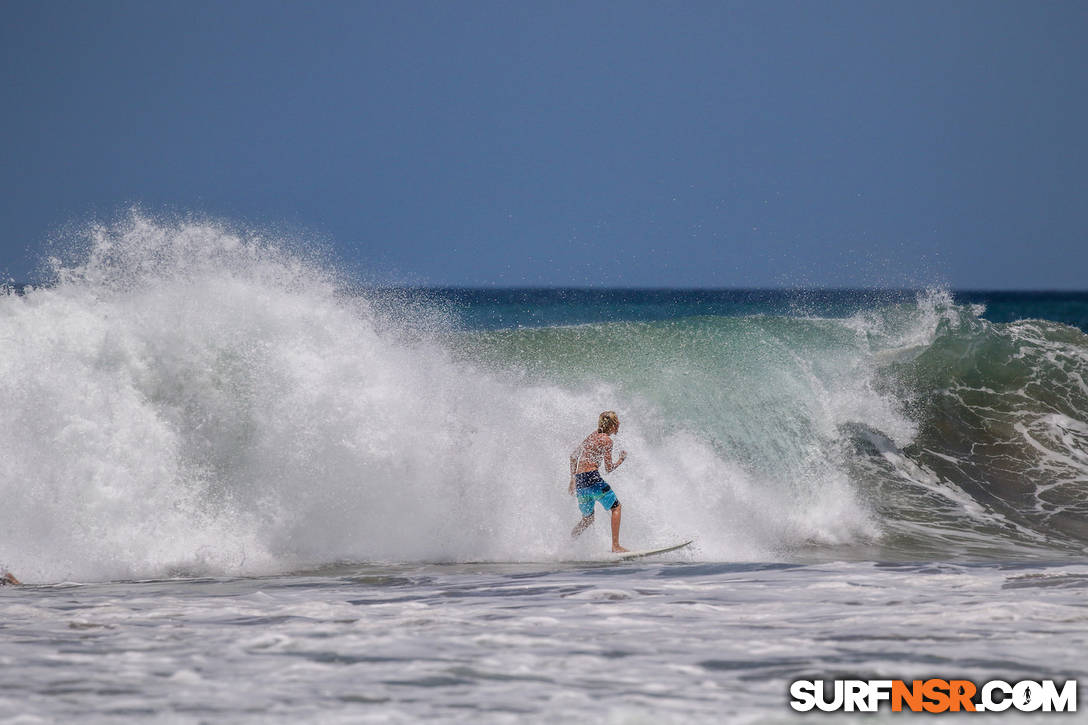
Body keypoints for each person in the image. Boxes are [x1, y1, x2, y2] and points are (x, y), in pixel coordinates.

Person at [569, 410, 628, 552]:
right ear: (612, 425)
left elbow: (573, 456)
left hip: (580, 482)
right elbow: (608, 468)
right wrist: (621, 460)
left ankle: (568, 543)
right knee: (616, 508)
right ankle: (616, 546)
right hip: (592, 479)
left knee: (587, 520)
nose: (619, 424)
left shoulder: (592, 436)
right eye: (617, 421)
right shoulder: (607, 440)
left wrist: (572, 479)